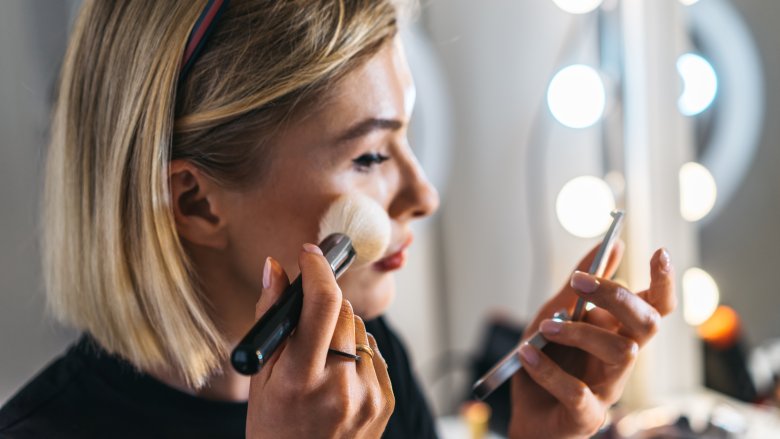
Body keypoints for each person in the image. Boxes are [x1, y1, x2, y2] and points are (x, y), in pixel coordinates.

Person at [0, 1, 676, 438]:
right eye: (371, 154)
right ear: (195, 201)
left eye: (407, 139)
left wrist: (540, 434)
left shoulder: (369, 370)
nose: (422, 193)